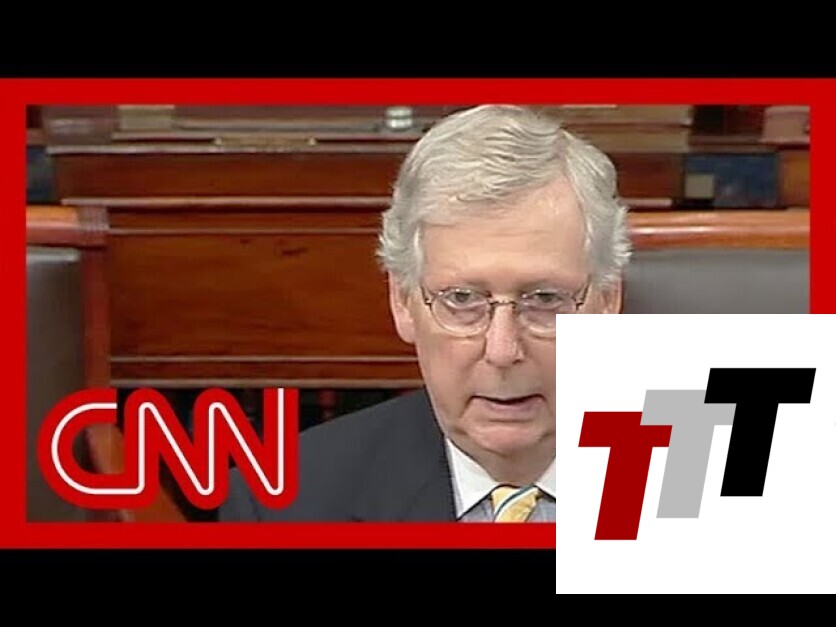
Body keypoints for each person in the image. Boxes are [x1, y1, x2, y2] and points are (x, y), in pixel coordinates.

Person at [219, 104, 631, 523]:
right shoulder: (279, 505)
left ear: (607, 300)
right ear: (402, 301)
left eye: (544, 299)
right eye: (462, 300)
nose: (502, 350)